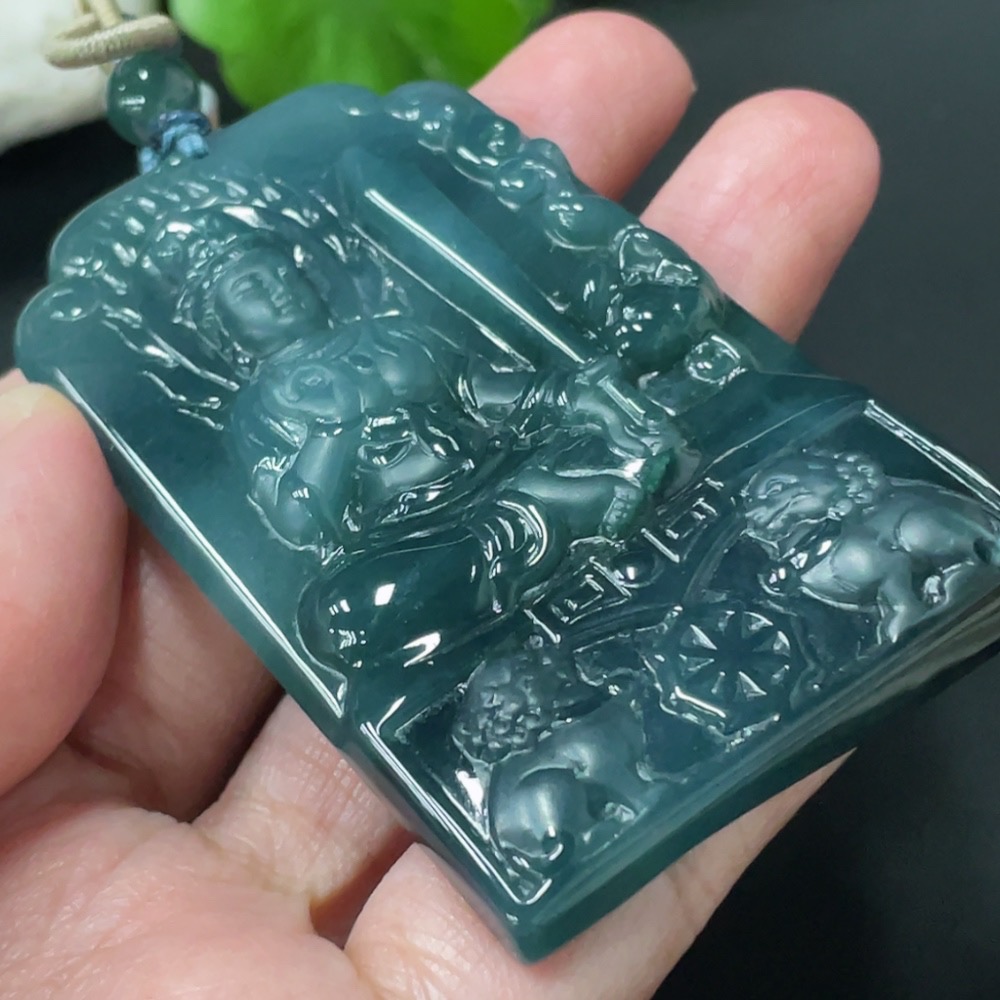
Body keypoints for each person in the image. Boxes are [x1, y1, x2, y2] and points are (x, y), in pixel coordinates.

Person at [0, 11, 880, 998]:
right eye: (247, 289)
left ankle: (589, 497)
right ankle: (581, 510)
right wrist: (337, 442)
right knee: (347, 616)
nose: (274, 292)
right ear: (223, 323)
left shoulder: (391, 337)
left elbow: (495, 394)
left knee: (620, 438)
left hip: (506, 479)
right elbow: (298, 516)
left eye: (277, 273)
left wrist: (574, 398)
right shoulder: (266, 403)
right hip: (425, 542)